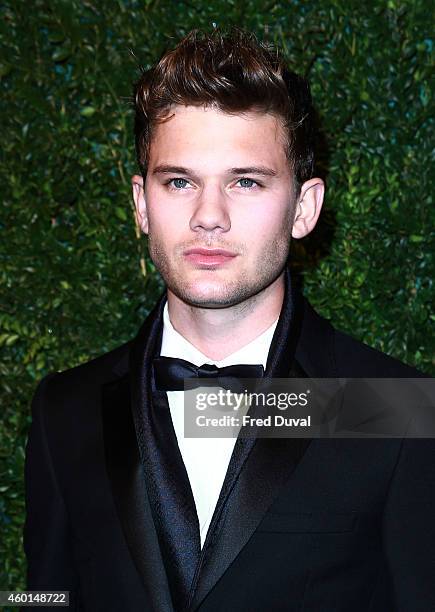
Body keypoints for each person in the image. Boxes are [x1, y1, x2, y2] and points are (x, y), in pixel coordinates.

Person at [24, 29, 435, 611]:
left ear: (304, 207)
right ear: (142, 204)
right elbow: (44, 596)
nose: (208, 216)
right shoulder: (65, 410)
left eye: (245, 182)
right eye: (179, 181)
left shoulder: (394, 408)